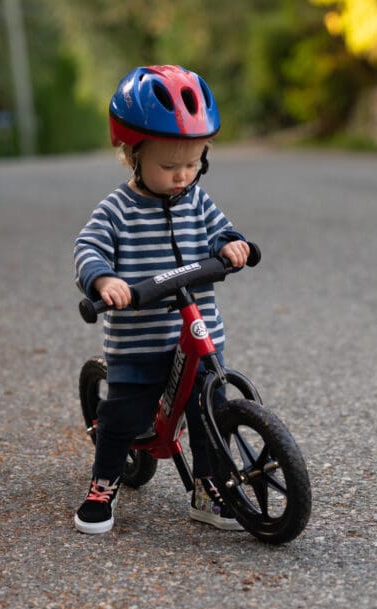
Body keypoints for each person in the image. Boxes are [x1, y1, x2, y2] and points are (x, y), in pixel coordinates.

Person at [72, 65, 251, 535]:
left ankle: (207, 488)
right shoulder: (117, 210)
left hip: (198, 333)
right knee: (123, 416)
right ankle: (103, 482)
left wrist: (232, 245)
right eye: (169, 167)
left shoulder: (197, 198)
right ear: (133, 155)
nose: (182, 176)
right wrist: (104, 280)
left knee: (210, 411)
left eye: (193, 164)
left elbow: (221, 231)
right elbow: (88, 247)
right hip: (140, 341)